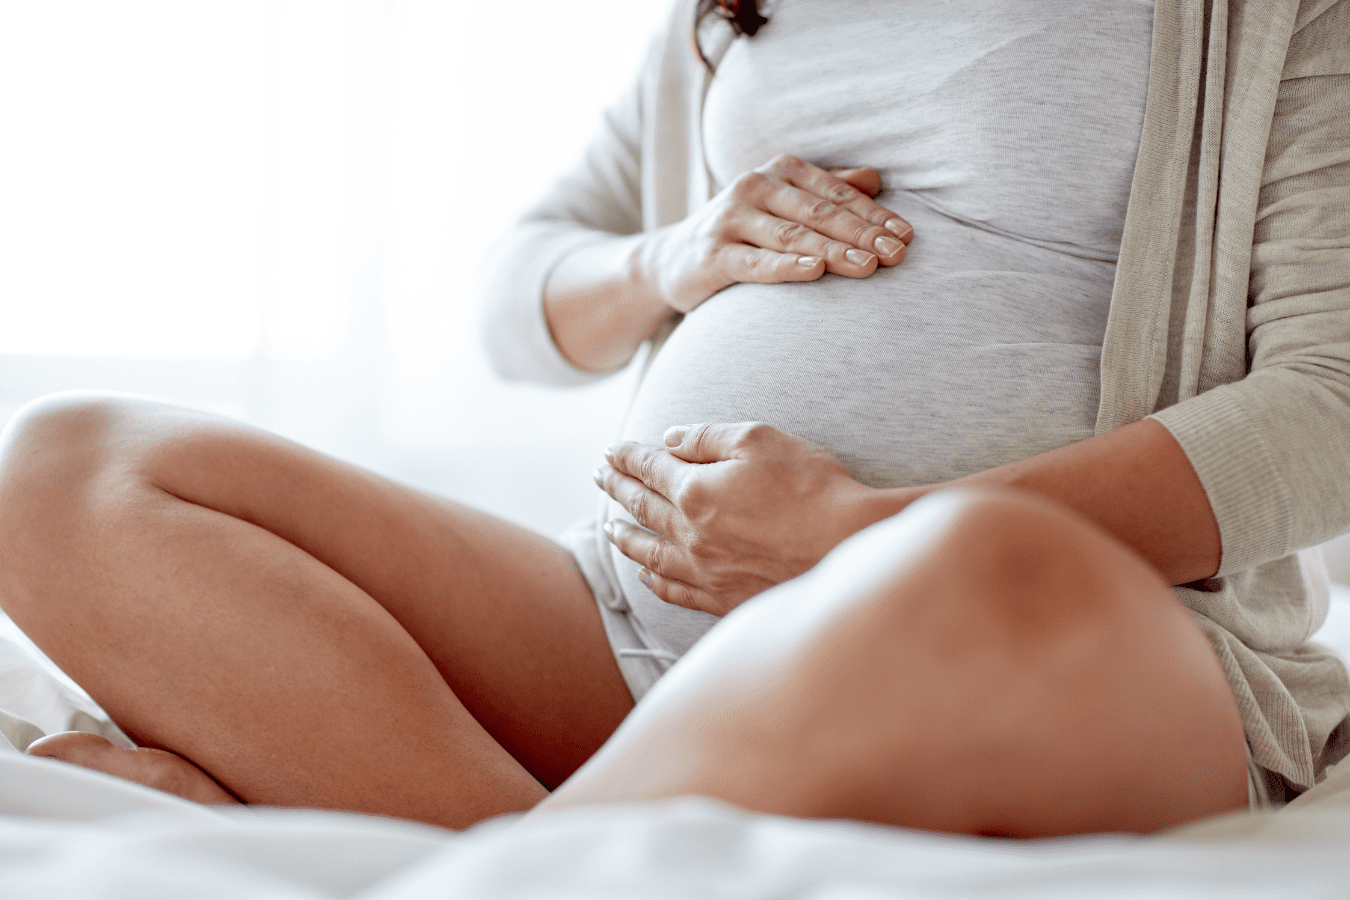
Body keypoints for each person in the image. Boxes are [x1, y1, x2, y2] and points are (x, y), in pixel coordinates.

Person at [0, 0, 1346, 836]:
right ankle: (531, 850)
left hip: (1067, 644)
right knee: (64, 467)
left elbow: (1325, 408)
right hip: (634, 626)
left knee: (972, 566)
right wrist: (669, 257)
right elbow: (511, 299)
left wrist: (865, 536)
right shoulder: (731, 13)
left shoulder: (1271, 17)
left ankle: (484, 857)